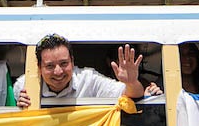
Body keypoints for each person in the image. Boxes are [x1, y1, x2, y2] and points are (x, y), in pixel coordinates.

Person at [14, 34, 145, 109]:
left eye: (64, 63)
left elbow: (132, 95)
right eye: (50, 66)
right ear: (39, 67)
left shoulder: (89, 79)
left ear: (72, 61)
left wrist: (132, 82)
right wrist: (20, 108)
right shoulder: (23, 86)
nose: (58, 72)